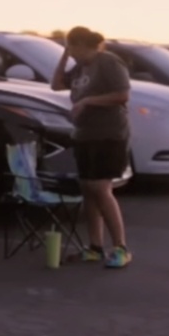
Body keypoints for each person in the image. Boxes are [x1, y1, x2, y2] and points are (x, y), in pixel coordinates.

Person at [50, 26, 133, 268]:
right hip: (85, 135)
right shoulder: (79, 67)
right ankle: (95, 246)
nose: (71, 52)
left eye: (72, 47)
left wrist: (88, 100)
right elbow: (56, 85)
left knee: (100, 187)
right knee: (87, 188)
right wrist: (64, 57)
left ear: (83, 45)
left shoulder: (108, 62)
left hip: (109, 134)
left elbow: (122, 94)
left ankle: (121, 247)